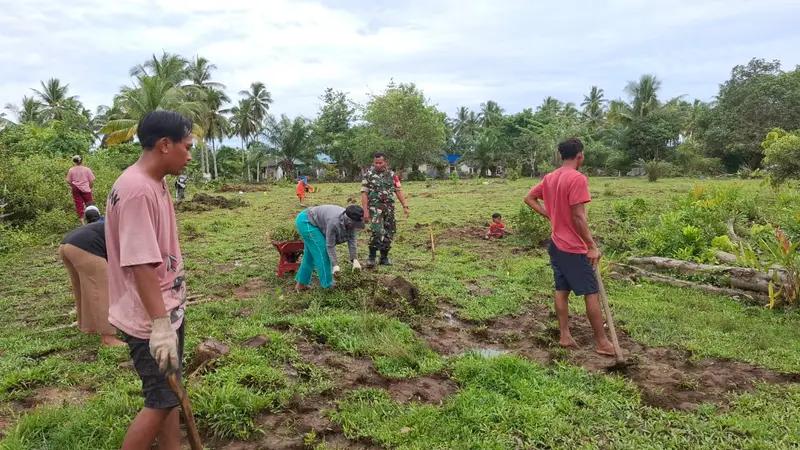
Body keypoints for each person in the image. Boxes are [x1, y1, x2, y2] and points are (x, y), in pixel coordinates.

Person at [105, 110, 193, 450]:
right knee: (160, 399)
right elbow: (141, 265)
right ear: (165, 145)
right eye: (186, 147)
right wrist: (159, 326)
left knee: (168, 394)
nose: (189, 155)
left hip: (165, 310)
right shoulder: (137, 191)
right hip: (150, 320)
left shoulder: (155, 181)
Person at [524, 138, 615, 357]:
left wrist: (550, 214)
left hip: (556, 244)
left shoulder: (550, 178)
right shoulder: (577, 178)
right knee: (591, 293)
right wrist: (591, 246)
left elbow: (529, 198)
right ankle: (602, 343)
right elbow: (578, 216)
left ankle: (565, 336)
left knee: (561, 290)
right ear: (580, 155)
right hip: (573, 247)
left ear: (560, 155)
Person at [58, 211, 124, 347]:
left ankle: (88, 326)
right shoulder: (135, 234)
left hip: (67, 244)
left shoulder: (118, 225)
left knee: (83, 288)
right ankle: (108, 338)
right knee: (101, 291)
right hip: (87, 245)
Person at [295, 204, 364, 291]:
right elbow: (330, 245)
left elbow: (352, 240)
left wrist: (355, 259)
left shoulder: (353, 221)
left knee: (310, 256)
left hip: (314, 221)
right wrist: (335, 265)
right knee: (323, 253)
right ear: (349, 221)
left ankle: (301, 285)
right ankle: (328, 286)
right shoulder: (334, 222)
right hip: (307, 221)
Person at [360, 152, 409, 267]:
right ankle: (371, 257)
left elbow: (398, 190)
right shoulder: (368, 175)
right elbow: (364, 193)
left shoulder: (392, 175)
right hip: (375, 209)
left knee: (389, 232)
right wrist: (365, 211)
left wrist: (405, 206)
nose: (377, 165)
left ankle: (384, 258)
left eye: (380, 162)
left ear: (385, 162)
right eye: (376, 163)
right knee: (377, 232)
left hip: (389, 209)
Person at [66, 155, 96, 224]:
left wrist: (73, 186)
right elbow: (91, 180)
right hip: (86, 188)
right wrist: (90, 187)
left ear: (74, 161)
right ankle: (92, 221)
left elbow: (68, 180)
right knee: (89, 204)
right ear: (82, 161)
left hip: (75, 189)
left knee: (78, 204)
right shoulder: (87, 169)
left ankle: (82, 222)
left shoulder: (71, 170)